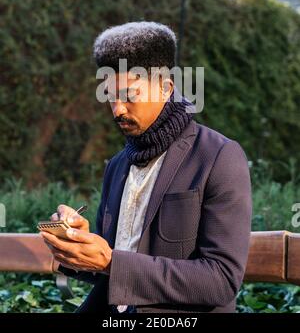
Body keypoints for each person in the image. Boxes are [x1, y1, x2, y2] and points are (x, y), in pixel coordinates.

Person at [41, 21, 252, 313]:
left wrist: (111, 261)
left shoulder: (219, 156)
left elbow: (221, 280)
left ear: (166, 88)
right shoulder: (117, 165)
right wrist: (78, 244)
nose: (117, 109)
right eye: (110, 96)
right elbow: (111, 264)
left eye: (130, 95)